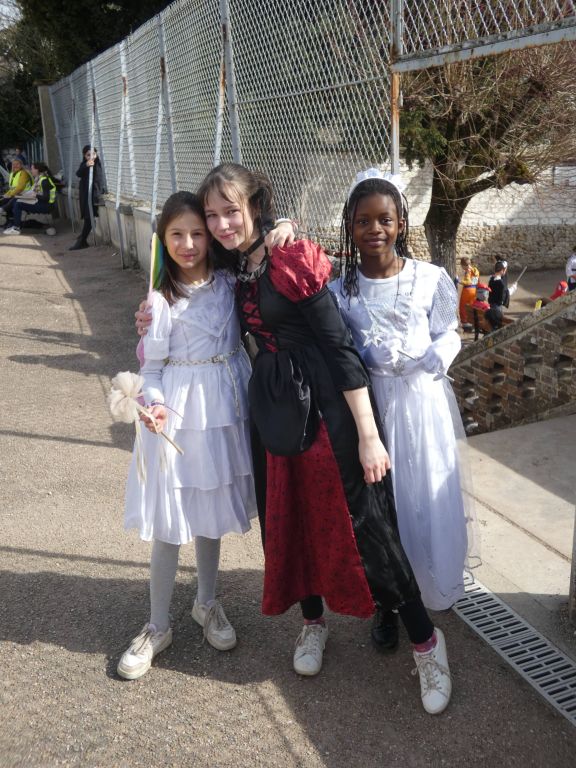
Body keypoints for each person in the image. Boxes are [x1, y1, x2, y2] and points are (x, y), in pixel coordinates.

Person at [194, 162, 451, 715]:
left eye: (231, 210)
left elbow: (339, 347)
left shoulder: (293, 258)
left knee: (370, 528)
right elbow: (182, 268)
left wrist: (367, 435)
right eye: (212, 215)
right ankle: (313, 624)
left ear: (256, 206)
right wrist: (152, 316)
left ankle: (428, 644)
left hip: (328, 410)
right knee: (290, 523)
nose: (220, 224)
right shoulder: (232, 266)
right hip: (273, 414)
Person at [329, 169, 478, 652]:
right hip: (373, 410)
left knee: (424, 495)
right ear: (349, 227)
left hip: (422, 403)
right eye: (363, 220)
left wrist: (445, 351)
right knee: (381, 509)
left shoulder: (429, 278)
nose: (375, 229)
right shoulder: (340, 290)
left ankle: (429, 581)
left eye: (385, 219)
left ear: (401, 224)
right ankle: (387, 603)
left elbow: (449, 329)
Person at [117, 191, 259, 680]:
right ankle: (157, 624)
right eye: (177, 234)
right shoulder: (159, 299)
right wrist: (151, 405)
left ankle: (207, 602)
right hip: (176, 412)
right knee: (169, 517)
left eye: (198, 232)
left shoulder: (230, 282)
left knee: (209, 511)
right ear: (162, 238)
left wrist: (281, 226)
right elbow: (151, 367)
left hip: (223, 410)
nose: (189, 243)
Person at [3, 162, 58, 235]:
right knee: (16, 199)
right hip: (40, 202)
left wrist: (35, 195)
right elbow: (34, 192)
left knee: (18, 204)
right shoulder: (39, 178)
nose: (31, 171)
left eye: (32, 169)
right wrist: (23, 195)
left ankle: (16, 228)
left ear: (37, 170)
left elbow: (46, 198)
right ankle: (11, 220)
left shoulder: (44, 180)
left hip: (46, 206)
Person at [69, 145, 103, 251]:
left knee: (89, 218)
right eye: (89, 155)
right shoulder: (85, 163)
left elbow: (98, 181)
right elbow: (78, 173)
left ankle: (82, 240)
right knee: (87, 217)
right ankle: (82, 239)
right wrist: (86, 165)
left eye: (94, 154)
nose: (91, 157)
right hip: (84, 194)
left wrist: (96, 196)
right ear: (85, 156)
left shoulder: (97, 164)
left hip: (92, 195)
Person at [0, 156, 32, 227]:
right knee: (3, 199)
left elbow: (20, 188)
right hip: (16, 195)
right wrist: (5, 194)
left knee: (7, 201)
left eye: (17, 164)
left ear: (21, 165)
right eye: (13, 164)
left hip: (24, 195)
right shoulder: (13, 174)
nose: (15, 166)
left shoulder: (23, 173)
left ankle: (11, 221)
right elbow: (12, 188)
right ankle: (9, 221)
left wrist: (9, 195)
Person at [485, 260, 517, 331]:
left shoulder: (491, 280)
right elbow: (503, 297)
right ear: (502, 270)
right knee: (497, 326)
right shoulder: (501, 284)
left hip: (491, 305)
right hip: (497, 308)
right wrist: (513, 288)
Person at [457, 257, 479, 329]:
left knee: (463, 306)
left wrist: (459, 281)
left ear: (463, 265)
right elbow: (477, 281)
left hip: (467, 290)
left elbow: (468, 282)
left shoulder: (468, 271)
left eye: (462, 266)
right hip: (474, 290)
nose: (462, 267)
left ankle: (465, 322)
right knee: (471, 306)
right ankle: (471, 320)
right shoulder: (475, 270)